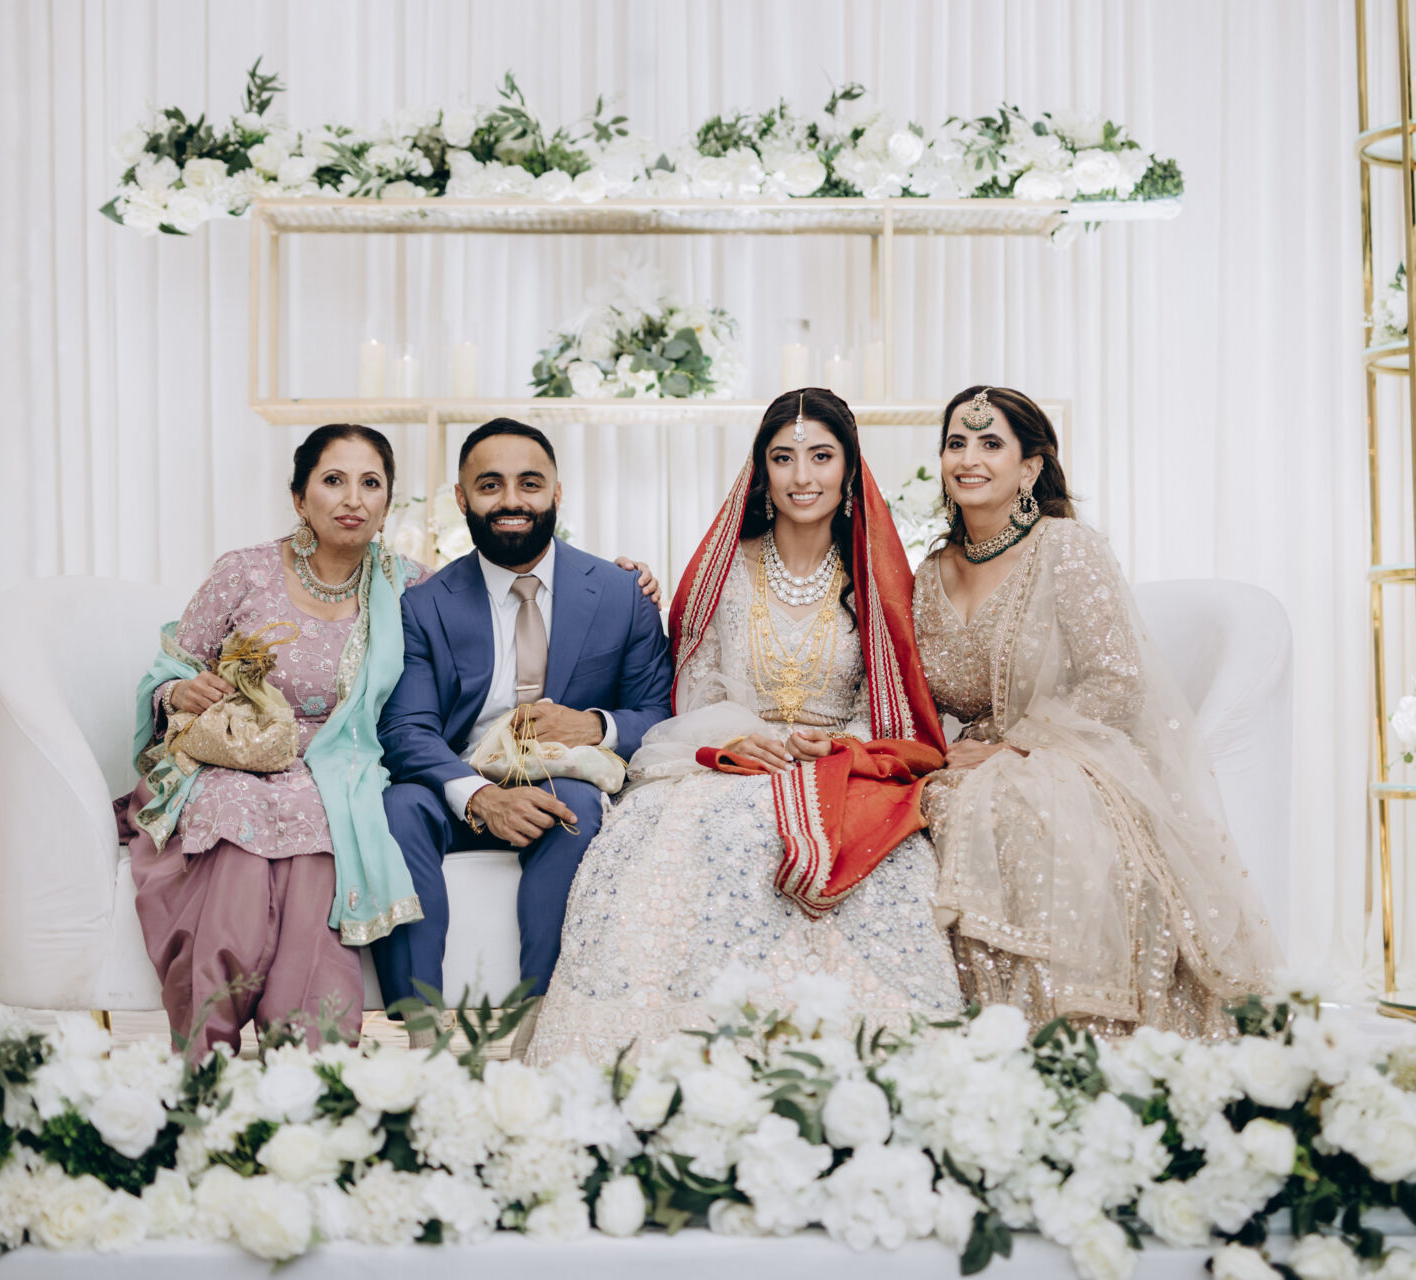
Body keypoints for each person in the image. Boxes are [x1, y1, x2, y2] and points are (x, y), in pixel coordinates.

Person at [525, 389, 963, 1066]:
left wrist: (837, 744)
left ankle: (858, 1060)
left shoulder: (876, 577)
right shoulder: (724, 571)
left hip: (842, 767)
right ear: (762, 470)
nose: (802, 476)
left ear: (849, 468)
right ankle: (673, 1056)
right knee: (693, 839)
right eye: (783, 458)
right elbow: (695, 687)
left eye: (821, 457)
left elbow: (887, 699)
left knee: (891, 868)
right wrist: (734, 741)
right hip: (726, 760)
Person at [915, 385, 1277, 1037]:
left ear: (1030, 467)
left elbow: (1116, 682)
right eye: (956, 443)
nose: (969, 459)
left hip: (1068, 756)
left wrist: (1011, 750)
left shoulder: (1066, 549)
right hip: (965, 758)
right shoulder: (930, 572)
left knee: (1003, 814)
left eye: (991, 443)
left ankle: (1047, 1026)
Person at [119, 424, 427, 1059]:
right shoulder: (245, 572)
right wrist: (182, 692)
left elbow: (496, 613)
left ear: (387, 503)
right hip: (233, 755)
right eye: (333, 480)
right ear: (299, 498)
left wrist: (629, 577)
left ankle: (307, 1063)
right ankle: (207, 1052)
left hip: (338, 766)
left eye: (370, 483)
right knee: (233, 826)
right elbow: (170, 669)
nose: (353, 498)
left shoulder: (412, 586)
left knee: (320, 820)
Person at [375, 418, 674, 1052]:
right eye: (490, 485)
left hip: (563, 779)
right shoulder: (424, 604)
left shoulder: (621, 593)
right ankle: (420, 1030)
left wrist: (596, 725)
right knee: (399, 806)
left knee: (576, 807)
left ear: (557, 493)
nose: (512, 500)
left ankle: (542, 1024)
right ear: (462, 499)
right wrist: (481, 797)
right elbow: (407, 728)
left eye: (529, 483)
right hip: (458, 783)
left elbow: (660, 712)